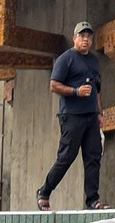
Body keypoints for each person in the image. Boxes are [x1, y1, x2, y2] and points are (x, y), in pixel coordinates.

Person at [37, 21, 107, 211]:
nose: (85, 40)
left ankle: (93, 200)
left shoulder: (93, 60)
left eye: (88, 36)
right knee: (66, 157)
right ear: (75, 38)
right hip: (72, 115)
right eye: (81, 36)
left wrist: (99, 112)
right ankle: (44, 191)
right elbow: (54, 85)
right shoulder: (66, 59)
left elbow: (97, 89)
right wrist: (76, 91)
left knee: (93, 157)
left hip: (91, 116)